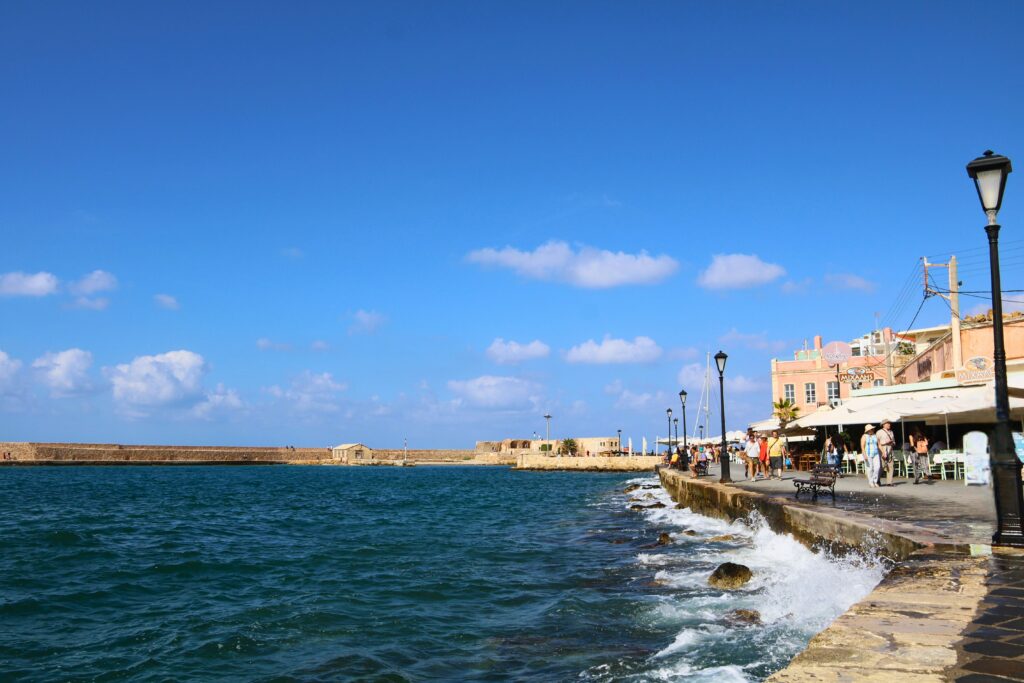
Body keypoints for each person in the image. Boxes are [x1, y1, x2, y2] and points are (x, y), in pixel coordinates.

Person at [860, 424, 881, 488]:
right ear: (868, 430)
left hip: (876, 453)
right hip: (868, 454)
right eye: (871, 429)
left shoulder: (875, 436)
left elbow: (879, 444)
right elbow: (862, 446)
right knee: (870, 468)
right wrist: (864, 454)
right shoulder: (864, 436)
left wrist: (882, 452)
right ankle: (871, 482)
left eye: (873, 429)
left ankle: (875, 481)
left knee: (877, 467)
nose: (873, 430)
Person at [877, 419, 896, 486]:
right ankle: (877, 480)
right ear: (883, 425)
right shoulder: (879, 432)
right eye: (887, 423)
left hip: (890, 449)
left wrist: (892, 443)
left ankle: (889, 482)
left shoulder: (891, 432)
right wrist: (885, 444)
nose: (889, 425)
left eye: (889, 423)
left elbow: (893, 441)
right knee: (882, 466)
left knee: (891, 466)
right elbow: (877, 442)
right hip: (883, 449)